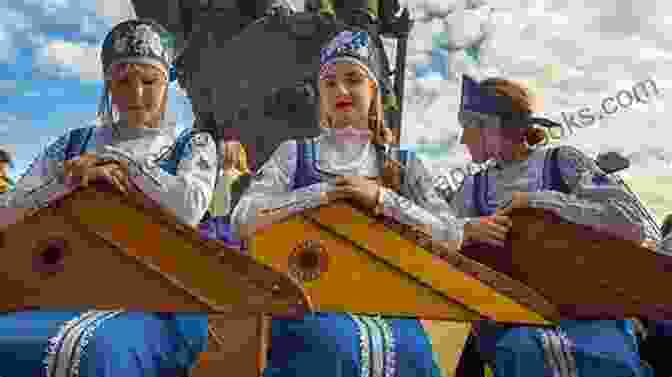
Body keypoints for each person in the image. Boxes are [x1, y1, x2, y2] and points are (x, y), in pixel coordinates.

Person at [231, 29, 464, 377]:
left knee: (412, 354)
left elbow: (451, 234)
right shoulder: (294, 154)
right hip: (310, 309)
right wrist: (323, 193)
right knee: (329, 346)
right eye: (329, 83)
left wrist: (382, 197)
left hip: (395, 314)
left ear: (374, 90)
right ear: (321, 96)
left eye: (353, 79)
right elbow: (243, 219)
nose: (340, 90)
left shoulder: (405, 163)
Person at [0, 19, 217, 377]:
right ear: (107, 84)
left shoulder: (194, 145)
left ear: (167, 85)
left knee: (94, 352)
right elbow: (8, 213)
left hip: (161, 298)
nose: (136, 94)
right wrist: (68, 179)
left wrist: (119, 160)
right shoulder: (72, 145)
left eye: (149, 81)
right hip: (58, 288)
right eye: (122, 81)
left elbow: (188, 209)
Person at [451, 74, 658, 377]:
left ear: (491, 126)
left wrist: (541, 202)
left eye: (467, 127)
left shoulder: (563, 162)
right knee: (521, 348)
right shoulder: (472, 188)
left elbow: (630, 221)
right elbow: (439, 241)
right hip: (514, 325)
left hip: (592, 319)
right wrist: (467, 229)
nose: (462, 139)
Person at [199, 139, 252, 247]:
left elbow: (218, 204)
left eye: (222, 154)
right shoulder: (237, 174)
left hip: (221, 220)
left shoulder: (228, 175)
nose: (218, 157)